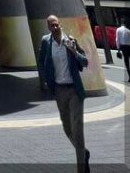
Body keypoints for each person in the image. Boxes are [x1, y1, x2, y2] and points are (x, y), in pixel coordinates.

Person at [38, 14, 90, 173]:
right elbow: (41, 61)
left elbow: (85, 62)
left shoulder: (70, 40)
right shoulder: (46, 42)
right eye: (51, 26)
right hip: (59, 91)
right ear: (48, 27)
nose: (55, 28)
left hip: (74, 89)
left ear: (60, 24)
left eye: (56, 25)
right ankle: (83, 152)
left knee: (77, 130)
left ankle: (81, 168)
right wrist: (45, 80)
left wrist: (74, 51)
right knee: (67, 129)